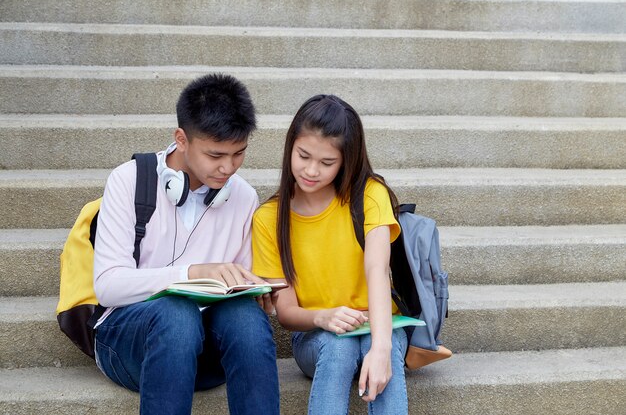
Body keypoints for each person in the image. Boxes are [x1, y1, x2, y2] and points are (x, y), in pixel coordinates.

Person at [92, 73, 280, 415]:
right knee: (175, 314)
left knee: (246, 317)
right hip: (130, 344)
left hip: (206, 353)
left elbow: (237, 292)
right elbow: (107, 286)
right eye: (215, 155)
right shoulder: (128, 180)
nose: (228, 167)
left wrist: (258, 290)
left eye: (239, 154)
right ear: (181, 139)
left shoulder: (243, 196)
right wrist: (192, 273)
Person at [252, 94, 408, 414]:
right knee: (339, 345)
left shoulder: (369, 195)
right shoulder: (269, 218)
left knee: (381, 348)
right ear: (290, 147)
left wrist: (380, 349)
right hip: (316, 337)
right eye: (303, 155)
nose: (311, 170)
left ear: (346, 160)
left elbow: (377, 271)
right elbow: (286, 313)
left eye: (327, 163)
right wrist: (323, 317)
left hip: (379, 325)